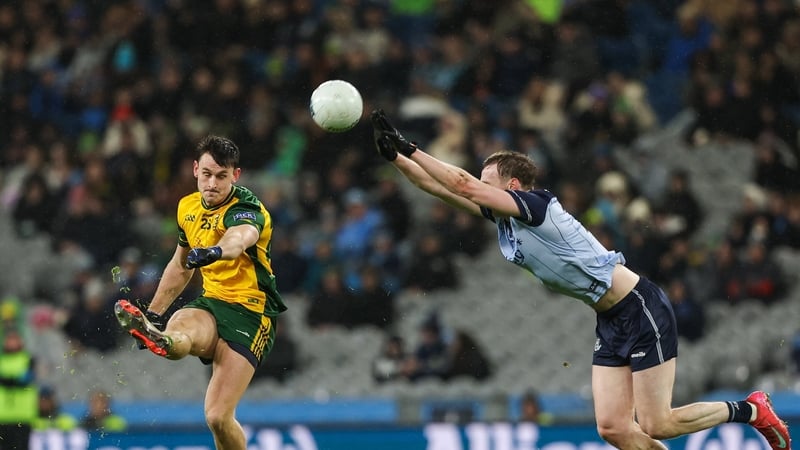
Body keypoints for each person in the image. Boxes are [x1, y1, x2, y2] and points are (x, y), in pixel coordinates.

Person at [369, 109, 792, 450]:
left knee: (657, 423)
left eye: (488, 182)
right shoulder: (505, 219)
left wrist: (412, 147)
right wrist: (396, 159)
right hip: (609, 319)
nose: (479, 187)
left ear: (512, 185)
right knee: (614, 428)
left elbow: (461, 185)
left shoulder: (535, 205)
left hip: (638, 305)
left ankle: (751, 410)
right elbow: (442, 190)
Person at [114, 135, 287, 450]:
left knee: (218, 417)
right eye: (206, 174)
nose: (212, 184)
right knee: (181, 324)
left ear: (235, 175)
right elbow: (180, 266)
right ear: (195, 169)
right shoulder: (187, 207)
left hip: (251, 314)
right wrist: (154, 311)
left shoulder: (248, 208)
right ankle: (159, 335)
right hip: (213, 303)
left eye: (221, 176)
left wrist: (216, 251)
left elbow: (240, 238)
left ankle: (165, 339)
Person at [0, 327, 37, 450]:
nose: (12, 342)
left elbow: (25, 380)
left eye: (14, 339)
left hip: (23, 416)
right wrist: (13, 380)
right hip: (3, 416)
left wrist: (7, 380)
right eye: (9, 339)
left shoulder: (29, 359)